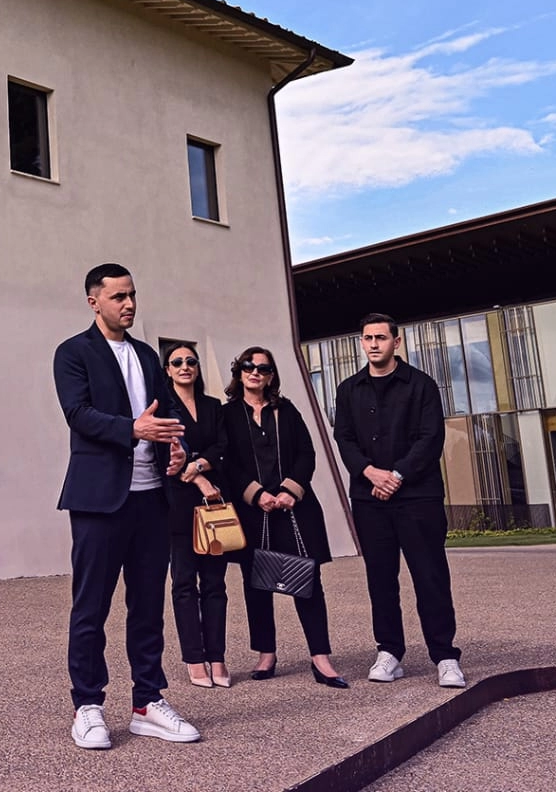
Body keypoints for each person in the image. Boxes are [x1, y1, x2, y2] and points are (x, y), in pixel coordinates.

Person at [53, 263, 202, 750]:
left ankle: (147, 702)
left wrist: (173, 448)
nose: (129, 304)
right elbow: (79, 414)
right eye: (118, 296)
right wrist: (133, 430)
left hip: (151, 499)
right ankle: (88, 706)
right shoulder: (73, 353)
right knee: (90, 606)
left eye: (133, 295)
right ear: (94, 301)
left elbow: (168, 413)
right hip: (99, 501)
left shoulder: (146, 355)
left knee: (147, 607)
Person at [331, 313, 466, 689]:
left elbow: (430, 438)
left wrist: (396, 476)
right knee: (381, 580)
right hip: (369, 499)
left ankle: (445, 656)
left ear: (396, 341)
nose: (373, 344)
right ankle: (389, 652)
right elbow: (344, 438)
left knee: (431, 577)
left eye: (381, 337)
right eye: (367, 338)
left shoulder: (421, 386)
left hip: (417, 497)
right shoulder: (348, 389)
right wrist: (370, 472)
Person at [216, 346, 347, 687]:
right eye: (248, 366)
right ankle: (266, 654)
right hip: (253, 511)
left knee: (308, 583)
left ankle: (321, 658)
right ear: (239, 372)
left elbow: (307, 452)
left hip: (294, 509)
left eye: (262, 367)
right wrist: (256, 494)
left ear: (271, 375)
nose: (255, 372)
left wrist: (290, 490)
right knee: (257, 585)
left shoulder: (286, 410)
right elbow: (227, 462)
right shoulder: (227, 415)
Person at [160, 343, 232, 688]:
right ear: (168, 370)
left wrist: (199, 465)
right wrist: (196, 475)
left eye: (191, 361)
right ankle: (194, 658)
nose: (185, 366)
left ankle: (217, 657)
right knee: (185, 583)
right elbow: (162, 455)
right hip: (178, 504)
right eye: (177, 362)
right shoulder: (163, 409)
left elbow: (223, 446)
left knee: (215, 583)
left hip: (214, 503)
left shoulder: (213, 406)